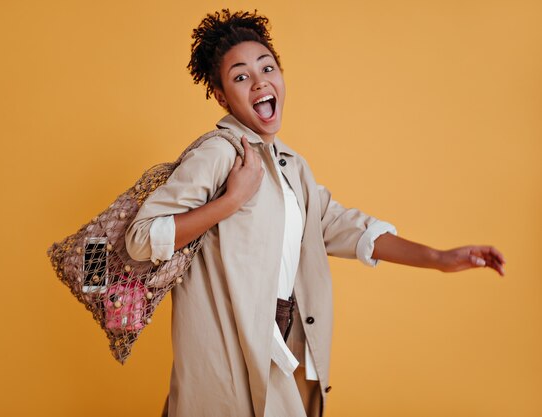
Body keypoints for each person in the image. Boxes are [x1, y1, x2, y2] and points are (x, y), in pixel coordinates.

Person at [125, 9, 505, 417]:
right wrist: (230, 202)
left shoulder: (290, 165)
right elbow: (142, 237)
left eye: (267, 67)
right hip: (230, 336)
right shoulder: (219, 153)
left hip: (282, 332)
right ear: (221, 96)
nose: (259, 82)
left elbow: (343, 226)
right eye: (240, 77)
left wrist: (439, 258)